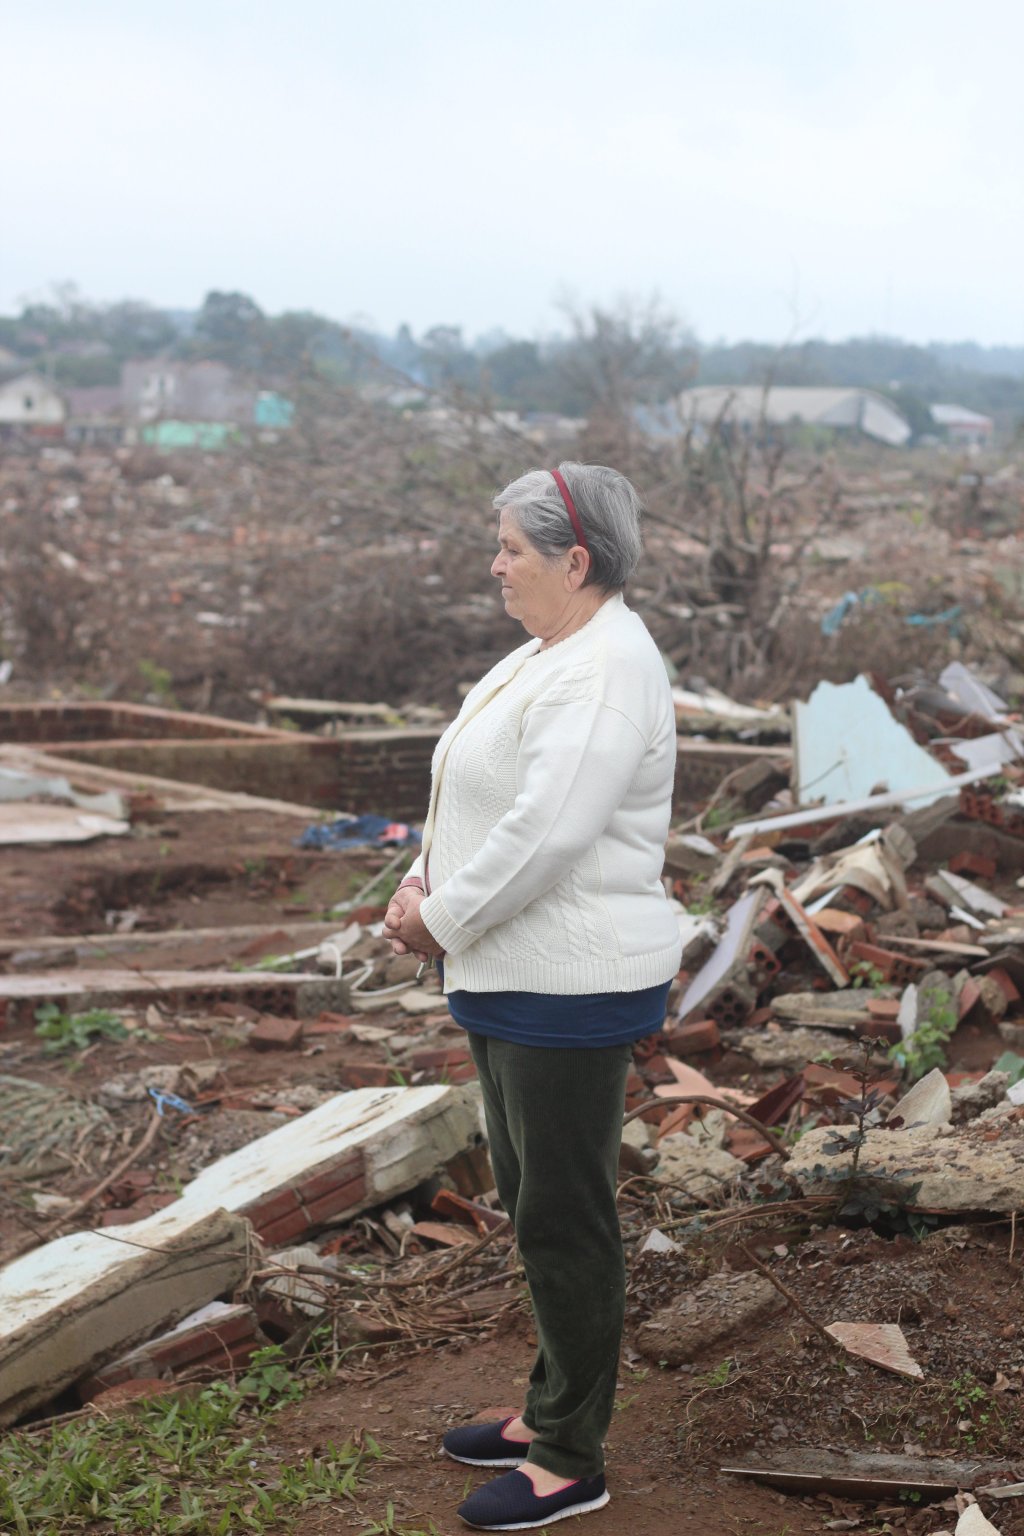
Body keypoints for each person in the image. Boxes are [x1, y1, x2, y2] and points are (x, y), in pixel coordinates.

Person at [383, 461, 682, 1531]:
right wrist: (420, 883)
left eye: (511, 546)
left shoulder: (600, 672)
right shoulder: (550, 653)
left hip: (568, 982)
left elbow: (546, 836)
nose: (495, 563)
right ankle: (550, 1405)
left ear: (574, 558)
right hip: (515, 976)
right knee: (536, 1206)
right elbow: (477, 797)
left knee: (565, 1219)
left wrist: (438, 920)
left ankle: (569, 1459)